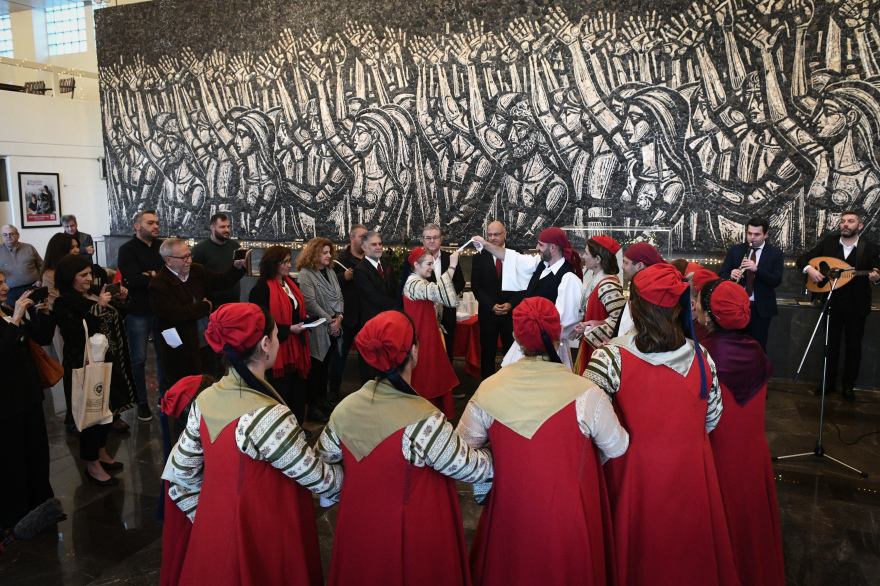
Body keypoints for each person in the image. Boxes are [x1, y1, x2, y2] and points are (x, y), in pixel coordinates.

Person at [162, 303, 343, 585]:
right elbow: (323, 481)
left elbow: (181, 473)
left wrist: (211, 517)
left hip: (215, 533)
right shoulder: (267, 416)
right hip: (262, 536)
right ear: (265, 344)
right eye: (277, 336)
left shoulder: (205, 398)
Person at [582, 263, 739, 586]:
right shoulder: (702, 357)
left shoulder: (610, 358)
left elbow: (586, 423)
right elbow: (713, 418)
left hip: (631, 478)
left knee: (636, 556)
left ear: (635, 307)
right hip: (690, 474)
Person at [458, 297, 629, 586]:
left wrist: (500, 461)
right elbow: (617, 446)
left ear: (514, 336)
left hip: (510, 513)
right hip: (570, 515)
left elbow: (464, 448)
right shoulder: (587, 393)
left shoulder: (489, 389)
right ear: (557, 332)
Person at [316, 311, 493, 586]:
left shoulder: (345, 408)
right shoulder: (425, 420)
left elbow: (325, 457)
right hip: (413, 530)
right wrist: (497, 453)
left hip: (358, 525)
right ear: (413, 351)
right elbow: (469, 467)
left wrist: (344, 487)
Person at [695, 279, 785, 586]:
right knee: (751, 524)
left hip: (718, 455)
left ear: (709, 315)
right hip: (752, 453)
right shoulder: (756, 350)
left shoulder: (702, 356)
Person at [54, 255, 137, 487]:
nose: (89, 279)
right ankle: (92, 465)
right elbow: (73, 333)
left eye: (90, 274)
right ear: (69, 278)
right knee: (90, 414)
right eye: (83, 275)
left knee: (104, 410)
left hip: (105, 362)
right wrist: (98, 308)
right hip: (84, 365)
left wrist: (120, 301)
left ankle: (101, 453)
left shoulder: (90, 295)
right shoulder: (63, 302)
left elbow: (113, 320)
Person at [796, 210, 880, 401]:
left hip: (857, 306)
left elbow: (877, 273)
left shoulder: (871, 248)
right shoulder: (830, 243)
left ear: (860, 226)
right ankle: (828, 383)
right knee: (829, 345)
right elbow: (803, 259)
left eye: (851, 221)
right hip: (831, 303)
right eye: (843, 221)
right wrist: (810, 270)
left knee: (854, 347)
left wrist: (876, 278)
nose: (845, 224)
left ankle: (849, 386)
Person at [473, 227, 583, 369]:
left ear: (553, 248)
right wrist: (486, 244)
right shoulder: (541, 264)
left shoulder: (568, 278)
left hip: (550, 346)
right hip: (529, 342)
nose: (537, 248)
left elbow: (567, 320)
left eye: (541, 245)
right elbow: (511, 258)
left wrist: (536, 332)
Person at [149, 238, 249, 392]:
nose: (189, 260)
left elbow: (222, 281)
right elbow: (176, 314)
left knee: (209, 385)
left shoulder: (198, 271)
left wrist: (236, 268)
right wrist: (205, 306)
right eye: (184, 257)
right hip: (181, 347)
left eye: (190, 255)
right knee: (187, 390)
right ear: (168, 261)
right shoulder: (159, 284)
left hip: (206, 342)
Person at [0, 272, 56, 532]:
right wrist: (15, 321)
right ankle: (17, 516)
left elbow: (42, 338)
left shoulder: (6, 309)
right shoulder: (11, 315)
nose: (5, 287)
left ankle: (40, 507)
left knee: (36, 452)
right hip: (6, 403)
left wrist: (43, 313)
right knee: (13, 459)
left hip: (28, 394)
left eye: (4, 281)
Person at [248, 245, 312, 426]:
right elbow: (261, 321)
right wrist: (288, 329)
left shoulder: (290, 283)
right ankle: (282, 428)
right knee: (281, 390)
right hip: (278, 347)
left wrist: (303, 318)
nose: (288, 265)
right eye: (283, 262)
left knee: (297, 389)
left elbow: (295, 308)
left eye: (289, 260)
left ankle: (297, 426)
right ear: (272, 264)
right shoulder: (261, 289)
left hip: (296, 346)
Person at [117, 210, 166, 422]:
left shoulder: (162, 247)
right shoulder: (127, 249)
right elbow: (132, 279)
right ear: (137, 226)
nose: (156, 226)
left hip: (162, 310)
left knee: (164, 355)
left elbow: (171, 274)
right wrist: (156, 275)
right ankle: (141, 402)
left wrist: (150, 275)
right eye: (150, 223)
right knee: (138, 358)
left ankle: (165, 396)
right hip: (137, 312)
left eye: (157, 223)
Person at [402, 247, 460, 418]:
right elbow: (439, 292)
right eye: (428, 264)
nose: (432, 268)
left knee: (435, 375)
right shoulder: (414, 284)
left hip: (428, 335)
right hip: (422, 339)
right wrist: (452, 266)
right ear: (416, 265)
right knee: (428, 377)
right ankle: (426, 416)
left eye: (432, 264)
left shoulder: (419, 282)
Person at [296, 238, 344, 424]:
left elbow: (339, 296)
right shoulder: (305, 274)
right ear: (314, 253)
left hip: (333, 325)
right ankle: (313, 405)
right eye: (324, 252)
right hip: (318, 328)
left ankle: (322, 400)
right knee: (316, 368)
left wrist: (339, 318)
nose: (329, 255)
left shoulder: (330, 272)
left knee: (326, 367)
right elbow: (310, 303)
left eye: (329, 252)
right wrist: (330, 321)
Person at [718, 217, 784, 351]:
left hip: (760, 310)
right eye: (749, 233)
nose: (752, 238)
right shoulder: (736, 250)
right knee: (734, 348)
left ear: (766, 234)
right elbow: (722, 274)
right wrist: (730, 275)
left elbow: (776, 280)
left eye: (757, 234)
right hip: (736, 307)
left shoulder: (775, 254)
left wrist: (757, 270)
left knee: (758, 348)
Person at [573, 235, 625, 375]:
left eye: (586, 253)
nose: (583, 256)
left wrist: (595, 326)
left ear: (598, 259)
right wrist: (589, 325)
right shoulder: (598, 279)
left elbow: (620, 321)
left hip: (598, 350)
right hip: (592, 346)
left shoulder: (607, 284)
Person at [470, 221, 515, 379]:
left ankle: (510, 383)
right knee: (487, 353)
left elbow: (523, 286)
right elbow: (476, 286)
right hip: (488, 314)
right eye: (489, 235)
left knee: (511, 352)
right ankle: (486, 386)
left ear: (505, 233)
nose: (493, 238)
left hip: (511, 314)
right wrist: (491, 306)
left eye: (496, 234)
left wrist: (511, 304)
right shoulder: (479, 257)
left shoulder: (516, 254)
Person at [353, 231, 399, 382]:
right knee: (371, 369)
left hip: (389, 323)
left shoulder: (386, 265)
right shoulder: (360, 270)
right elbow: (373, 296)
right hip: (372, 324)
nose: (379, 247)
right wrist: (398, 306)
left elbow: (394, 289)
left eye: (380, 244)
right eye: (374, 244)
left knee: (388, 364)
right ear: (364, 247)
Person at [329, 224, 368, 399]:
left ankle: (367, 393)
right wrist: (342, 278)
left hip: (366, 316)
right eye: (361, 237)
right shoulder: (338, 260)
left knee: (367, 358)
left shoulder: (371, 258)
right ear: (352, 239)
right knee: (339, 356)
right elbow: (327, 286)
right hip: (345, 316)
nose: (365, 241)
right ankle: (333, 392)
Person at [421, 223, 465, 362]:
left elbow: (460, 282)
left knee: (447, 355)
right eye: (428, 238)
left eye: (435, 237)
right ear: (422, 240)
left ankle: (447, 383)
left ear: (441, 239)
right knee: (426, 356)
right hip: (425, 315)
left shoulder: (451, 258)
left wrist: (446, 295)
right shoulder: (416, 260)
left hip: (447, 315)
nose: (432, 241)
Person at [612, 241, 666, 337]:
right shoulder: (638, 288)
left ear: (639, 266)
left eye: (626, 263)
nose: (622, 266)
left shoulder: (648, 294)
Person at [190, 213, 242, 308]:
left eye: (228, 226)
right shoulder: (199, 250)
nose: (227, 230)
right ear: (212, 228)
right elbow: (193, 277)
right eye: (222, 227)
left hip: (234, 302)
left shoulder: (235, 247)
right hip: (211, 304)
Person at [0, 224, 43, 306]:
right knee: (14, 316)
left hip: (32, 288)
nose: (8, 236)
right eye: (5, 235)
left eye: (11, 234)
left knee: (38, 314)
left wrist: (40, 280)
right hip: (11, 291)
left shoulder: (29, 248)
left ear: (18, 235)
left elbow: (42, 265)